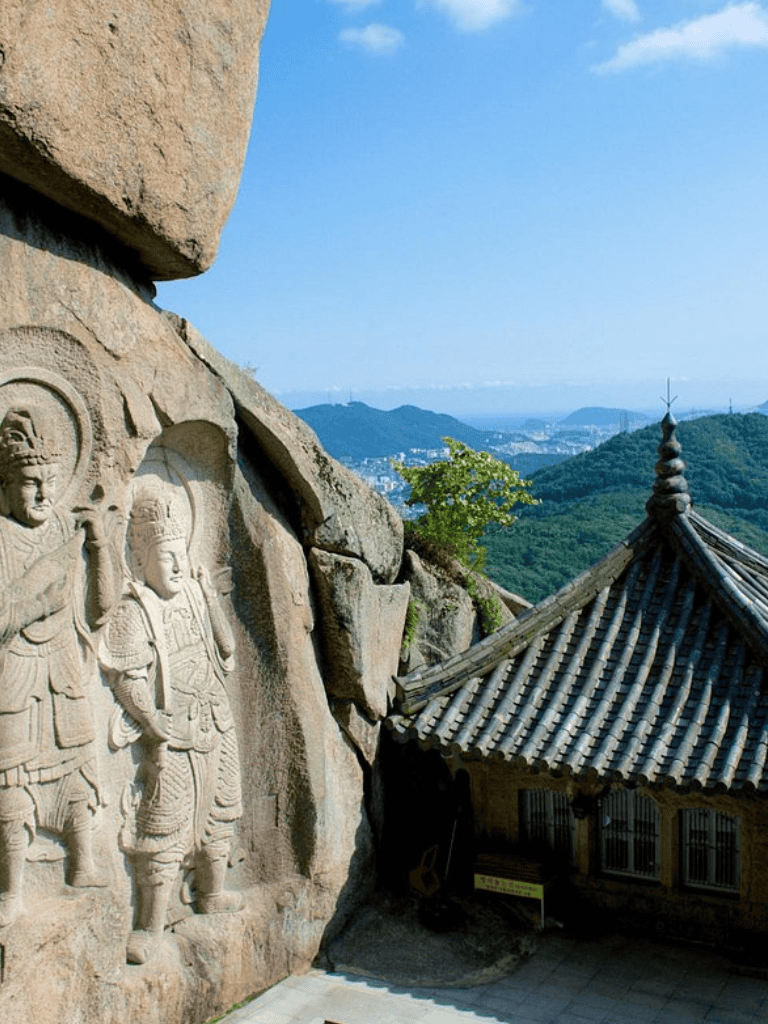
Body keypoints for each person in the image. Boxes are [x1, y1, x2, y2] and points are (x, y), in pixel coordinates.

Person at [99, 493, 243, 965]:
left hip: (215, 718)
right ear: (140, 560)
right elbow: (127, 676)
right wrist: (150, 718)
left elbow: (225, 649)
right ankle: (152, 924)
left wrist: (210, 596)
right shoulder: (134, 608)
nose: (178, 565)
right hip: (172, 730)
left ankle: (211, 892)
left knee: (222, 809)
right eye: (167, 556)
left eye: (182, 553)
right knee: (162, 825)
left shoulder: (195, 592)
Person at [0, 407, 115, 928]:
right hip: (15, 674)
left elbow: (100, 609)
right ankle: (11, 888)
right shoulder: (1, 538)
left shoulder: (65, 532)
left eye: (49, 481)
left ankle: (84, 860)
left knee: (77, 764)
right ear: (6, 483)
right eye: (30, 483)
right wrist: (34, 595)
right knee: (10, 780)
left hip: (64, 666)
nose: (44, 494)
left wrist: (99, 543)